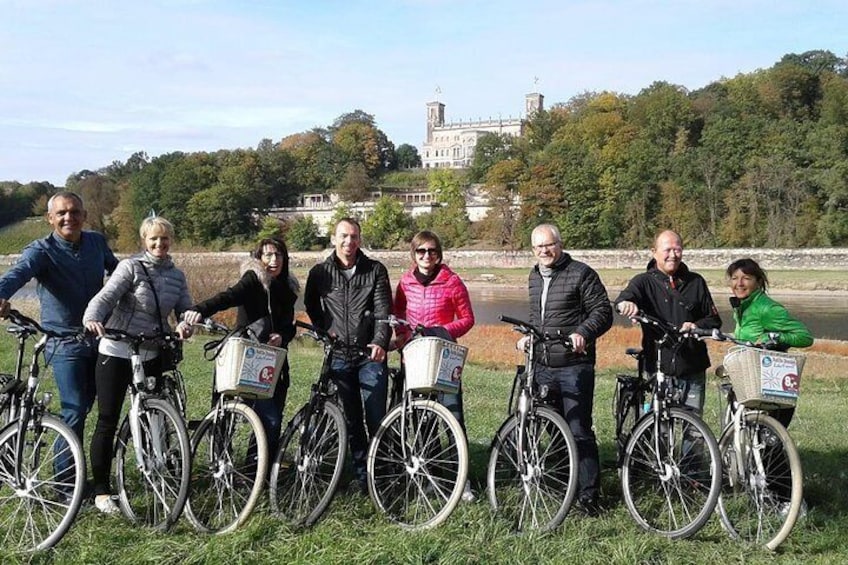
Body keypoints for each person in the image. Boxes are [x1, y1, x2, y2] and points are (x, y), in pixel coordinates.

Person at [0, 191, 118, 488]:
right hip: (63, 342)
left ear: (84, 215)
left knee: (88, 406)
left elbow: (119, 275)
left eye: (75, 211)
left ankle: (73, 473)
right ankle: (65, 484)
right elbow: (17, 275)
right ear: (50, 218)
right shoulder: (41, 250)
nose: (69, 217)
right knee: (74, 408)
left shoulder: (96, 243)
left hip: (98, 336)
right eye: (62, 213)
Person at [83, 216, 193, 514]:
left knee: (152, 414)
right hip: (118, 348)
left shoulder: (177, 276)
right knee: (108, 418)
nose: (159, 244)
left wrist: (185, 324)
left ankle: (159, 467)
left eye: (165, 239)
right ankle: (102, 490)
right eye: (153, 239)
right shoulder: (130, 267)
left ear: (171, 241)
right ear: (144, 241)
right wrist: (92, 317)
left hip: (151, 351)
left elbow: (185, 309)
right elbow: (106, 297)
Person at [520, 224, 612, 515]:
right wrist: (529, 337)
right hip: (543, 365)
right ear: (533, 250)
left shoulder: (581, 273)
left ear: (560, 244)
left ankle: (588, 496)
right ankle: (563, 484)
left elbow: (603, 312)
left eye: (549, 245)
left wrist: (583, 332)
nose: (544, 251)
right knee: (552, 426)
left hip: (574, 366)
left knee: (579, 430)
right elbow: (538, 318)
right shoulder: (534, 276)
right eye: (538, 247)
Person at [182, 236, 299, 457]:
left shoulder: (287, 289)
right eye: (268, 255)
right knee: (224, 415)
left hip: (272, 362)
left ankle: (257, 468)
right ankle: (220, 463)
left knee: (271, 419)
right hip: (243, 357)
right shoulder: (253, 280)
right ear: (259, 258)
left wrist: (282, 336)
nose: (274, 260)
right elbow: (228, 296)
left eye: (278, 254)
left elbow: (289, 326)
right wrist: (200, 309)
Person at [304, 218, 391, 493]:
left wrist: (379, 341)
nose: (348, 242)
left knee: (376, 415)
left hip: (369, 354)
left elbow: (383, 312)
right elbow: (310, 302)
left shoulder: (375, 270)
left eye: (353, 237)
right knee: (350, 418)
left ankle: (383, 470)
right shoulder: (320, 272)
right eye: (343, 236)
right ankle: (361, 474)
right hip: (339, 354)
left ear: (360, 240)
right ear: (333, 239)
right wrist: (324, 329)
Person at [393, 230, 476, 501]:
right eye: (421, 251)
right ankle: (428, 475)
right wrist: (405, 339)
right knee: (420, 419)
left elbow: (467, 319)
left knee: (453, 416)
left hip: (444, 355)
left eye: (432, 251)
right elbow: (398, 316)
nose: (427, 256)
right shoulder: (405, 283)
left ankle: (462, 480)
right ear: (413, 255)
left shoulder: (452, 282)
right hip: (415, 356)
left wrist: (440, 330)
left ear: (439, 254)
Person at [615, 230, 722, 415]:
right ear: (654, 252)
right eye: (667, 250)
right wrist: (626, 305)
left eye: (677, 249)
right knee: (660, 427)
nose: (673, 255)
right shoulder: (643, 282)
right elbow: (622, 300)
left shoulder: (696, 282)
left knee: (695, 429)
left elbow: (714, 320)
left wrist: (696, 326)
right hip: (658, 365)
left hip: (693, 365)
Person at [725, 257, 813, 428]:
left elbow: (805, 337)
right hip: (750, 378)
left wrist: (774, 337)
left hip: (769, 382)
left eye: (746, 278)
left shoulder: (767, 308)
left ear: (758, 282)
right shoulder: (743, 307)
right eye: (734, 278)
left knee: (767, 444)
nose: (739, 283)